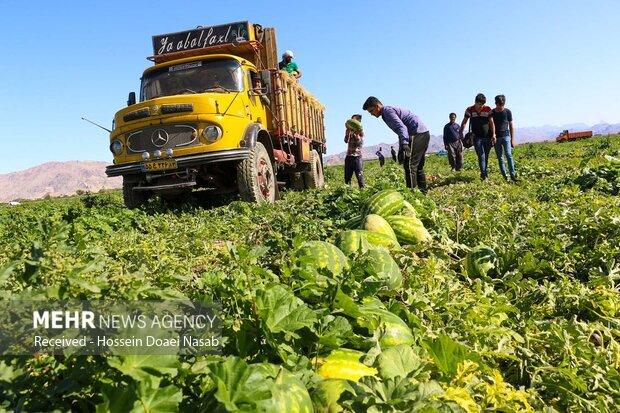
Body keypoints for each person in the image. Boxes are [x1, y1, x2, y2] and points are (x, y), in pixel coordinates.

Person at [363, 96, 430, 192]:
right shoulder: (386, 113)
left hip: (417, 133)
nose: (372, 114)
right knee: (417, 166)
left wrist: (405, 144)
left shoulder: (387, 112)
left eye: (372, 111)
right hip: (423, 133)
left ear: (377, 106)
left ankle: (412, 195)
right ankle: (423, 192)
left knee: (410, 166)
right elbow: (400, 131)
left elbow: (401, 127)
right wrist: (401, 149)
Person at [460, 93, 496, 180]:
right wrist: (460, 132)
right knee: (481, 156)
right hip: (476, 138)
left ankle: (484, 173)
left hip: (487, 137)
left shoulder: (488, 109)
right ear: (475, 102)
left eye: (482, 104)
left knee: (486, 156)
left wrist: (494, 134)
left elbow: (491, 122)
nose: (481, 106)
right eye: (479, 104)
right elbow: (464, 121)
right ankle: (484, 175)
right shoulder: (470, 110)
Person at [492, 95, 517, 181]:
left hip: (506, 136)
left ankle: (513, 175)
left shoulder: (508, 112)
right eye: (499, 105)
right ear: (496, 104)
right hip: (497, 138)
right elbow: (491, 126)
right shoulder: (492, 113)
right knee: (500, 158)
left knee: (509, 155)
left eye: (502, 105)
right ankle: (505, 177)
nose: (501, 107)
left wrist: (512, 139)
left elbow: (511, 125)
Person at [344, 114, 365, 188]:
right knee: (347, 177)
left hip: (357, 157)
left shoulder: (360, 132)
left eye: (354, 120)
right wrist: (348, 132)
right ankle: (347, 191)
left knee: (359, 176)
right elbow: (346, 141)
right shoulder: (348, 131)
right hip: (349, 156)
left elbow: (360, 143)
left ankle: (363, 192)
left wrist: (356, 134)